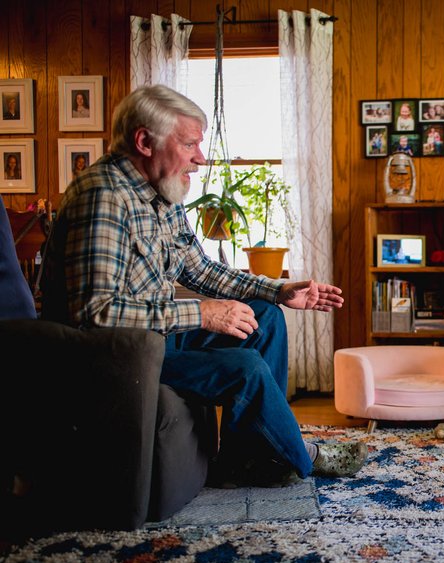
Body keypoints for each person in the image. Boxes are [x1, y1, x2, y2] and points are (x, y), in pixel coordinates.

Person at [40, 84, 367, 486]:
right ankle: (301, 454)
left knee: (264, 318)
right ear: (145, 141)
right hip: (119, 355)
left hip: (159, 338)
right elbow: (95, 314)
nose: (201, 157)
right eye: (190, 143)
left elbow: (199, 270)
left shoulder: (161, 194)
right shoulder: (103, 198)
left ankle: (244, 461)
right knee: (245, 367)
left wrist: (276, 291)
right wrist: (203, 313)